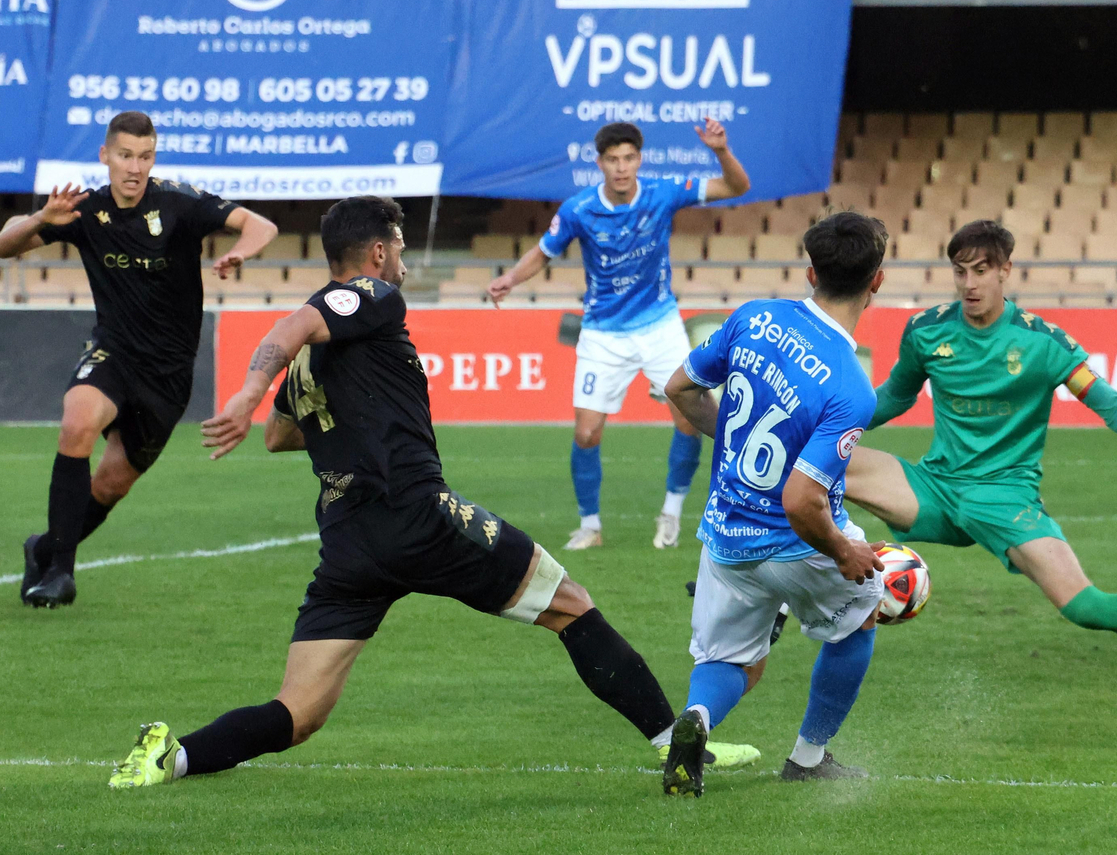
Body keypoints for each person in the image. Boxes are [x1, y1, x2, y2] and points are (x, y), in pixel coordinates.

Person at [107, 196, 757, 790]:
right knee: (571, 605)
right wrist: (247, 394)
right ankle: (678, 743)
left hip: (349, 541)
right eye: (398, 247)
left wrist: (347, 423)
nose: (403, 261)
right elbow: (287, 330)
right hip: (418, 514)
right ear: (377, 252)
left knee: (299, 711)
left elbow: (280, 437)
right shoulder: (372, 297)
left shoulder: (311, 359)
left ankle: (172, 756)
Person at [844, 220, 1117, 683]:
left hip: (1005, 499)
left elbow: (1112, 406)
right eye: (960, 272)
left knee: (1085, 606)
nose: (969, 284)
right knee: (813, 464)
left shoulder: (1044, 343)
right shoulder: (926, 331)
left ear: (1005, 270)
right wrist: (823, 425)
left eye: (981, 271)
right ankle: (798, 587)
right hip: (934, 488)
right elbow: (896, 396)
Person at [0, 110, 277, 608]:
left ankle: (44, 549)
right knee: (77, 423)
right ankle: (60, 574)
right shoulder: (84, 210)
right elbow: (1, 246)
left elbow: (260, 225)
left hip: (167, 372)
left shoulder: (179, 203)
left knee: (110, 485)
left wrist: (241, 253)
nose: (135, 167)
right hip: (113, 351)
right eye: (125, 155)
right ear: (106, 156)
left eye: (145, 156)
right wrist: (40, 219)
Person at [659, 211, 890, 797]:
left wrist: (731, 441)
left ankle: (697, 720)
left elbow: (679, 388)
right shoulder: (851, 386)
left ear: (810, 272)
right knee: (862, 612)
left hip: (724, 535)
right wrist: (845, 551)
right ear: (877, 281)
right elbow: (802, 501)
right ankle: (808, 759)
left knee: (730, 658)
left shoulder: (753, 316)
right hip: (793, 544)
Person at [487, 119, 751, 551]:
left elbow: (736, 186)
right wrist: (511, 279)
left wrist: (720, 150)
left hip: (661, 326)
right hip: (603, 334)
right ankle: (590, 526)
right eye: (613, 159)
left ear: (639, 160)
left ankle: (671, 513)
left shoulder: (663, 193)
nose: (622, 167)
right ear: (600, 163)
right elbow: (544, 251)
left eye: (629, 158)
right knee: (586, 434)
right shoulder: (578, 210)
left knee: (690, 419)